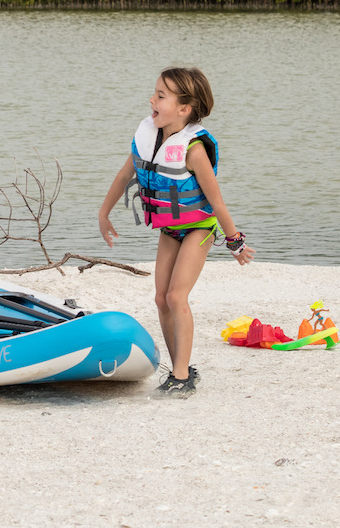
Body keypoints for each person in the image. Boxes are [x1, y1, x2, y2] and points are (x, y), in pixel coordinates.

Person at [99, 67, 255, 398]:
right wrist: (103, 212)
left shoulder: (193, 149)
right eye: (154, 92)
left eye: (160, 96)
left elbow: (216, 201)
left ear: (184, 109)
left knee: (175, 296)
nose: (151, 99)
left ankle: (182, 376)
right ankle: (179, 366)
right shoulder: (146, 138)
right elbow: (123, 175)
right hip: (170, 229)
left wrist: (235, 241)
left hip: (200, 228)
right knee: (160, 298)